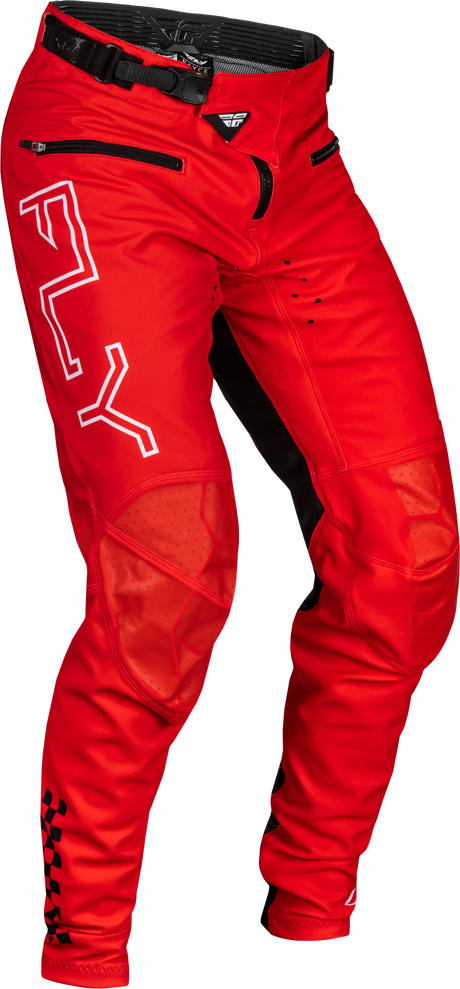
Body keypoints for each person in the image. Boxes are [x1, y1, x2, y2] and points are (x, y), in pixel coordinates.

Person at [1, 3, 458, 985]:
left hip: (298, 150)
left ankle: (315, 909)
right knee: (165, 575)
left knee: (408, 550)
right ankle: (84, 952)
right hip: (105, 142)